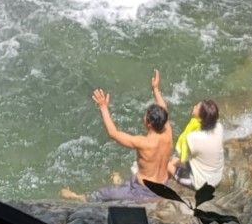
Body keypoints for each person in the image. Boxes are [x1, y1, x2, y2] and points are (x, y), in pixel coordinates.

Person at [61, 73, 173, 203]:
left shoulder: (143, 143)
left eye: (145, 116)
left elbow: (113, 133)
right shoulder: (168, 132)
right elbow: (164, 108)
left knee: (102, 194)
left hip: (143, 191)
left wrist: (103, 107)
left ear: (148, 123)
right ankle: (121, 184)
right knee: (130, 176)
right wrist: (156, 89)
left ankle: (79, 198)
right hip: (163, 186)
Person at [165, 90, 225, 191]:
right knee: (174, 160)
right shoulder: (219, 127)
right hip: (216, 177)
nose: (194, 106)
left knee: (164, 164)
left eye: (197, 107)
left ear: (201, 117)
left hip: (202, 184)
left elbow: (184, 159)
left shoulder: (193, 138)